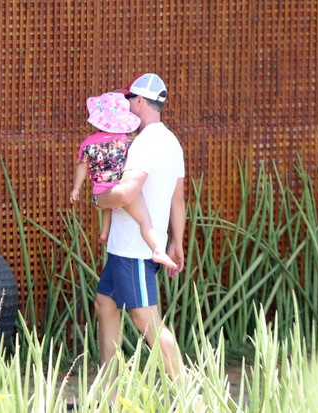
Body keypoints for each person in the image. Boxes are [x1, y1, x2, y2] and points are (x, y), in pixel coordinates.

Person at [93, 73, 186, 383]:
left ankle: (192, 398)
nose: (126, 105)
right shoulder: (171, 141)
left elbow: (127, 193)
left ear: (141, 102)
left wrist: (100, 201)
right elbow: (178, 200)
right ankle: (108, 392)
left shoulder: (144, 144)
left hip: (134, 248)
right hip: (129, 246)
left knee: (146, 319)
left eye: (129, 100)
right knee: (105, 303)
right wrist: (177, 242)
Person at [70, 92, 177, 270]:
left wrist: (76, 189)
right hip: (121, 188)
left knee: (106, 206)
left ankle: (105, 232)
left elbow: (81, 166)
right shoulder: (128, 142)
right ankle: (157, 249)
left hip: (100, 190)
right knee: (144, 221)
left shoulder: (88, 143)